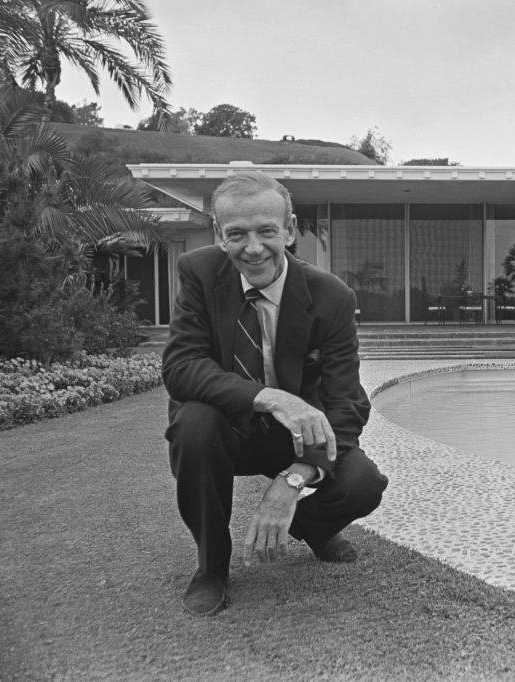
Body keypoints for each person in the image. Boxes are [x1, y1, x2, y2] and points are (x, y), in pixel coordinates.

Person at [162, 171, 387, 616]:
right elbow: (181, 367)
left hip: (295, 437)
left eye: (267, 231)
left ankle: (311, 528)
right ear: (217, 234)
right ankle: (212, 566)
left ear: (288, 228)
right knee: (193, 423)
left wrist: (291, 482)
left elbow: (346, 402)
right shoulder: (199, 274)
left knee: (363, 482)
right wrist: (271, 397)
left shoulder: (331, 297)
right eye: (237, 234)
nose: (253, 247)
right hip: (224, 428)